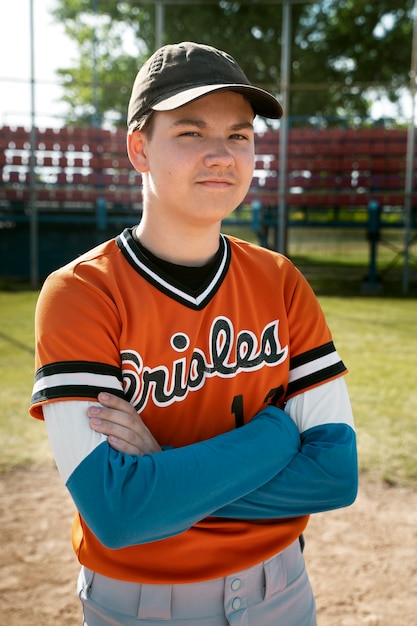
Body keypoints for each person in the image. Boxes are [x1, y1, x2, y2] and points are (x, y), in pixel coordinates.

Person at [30, 41, 358, 626]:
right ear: (139, 148)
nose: (222, 155)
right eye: (189, 132)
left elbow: (334, 475)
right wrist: (278, 437)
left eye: (239, 135)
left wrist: (165, 469)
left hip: (282, 588)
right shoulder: (82, 292)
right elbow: (119, 510)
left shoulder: (281, 282)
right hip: (141, 606)